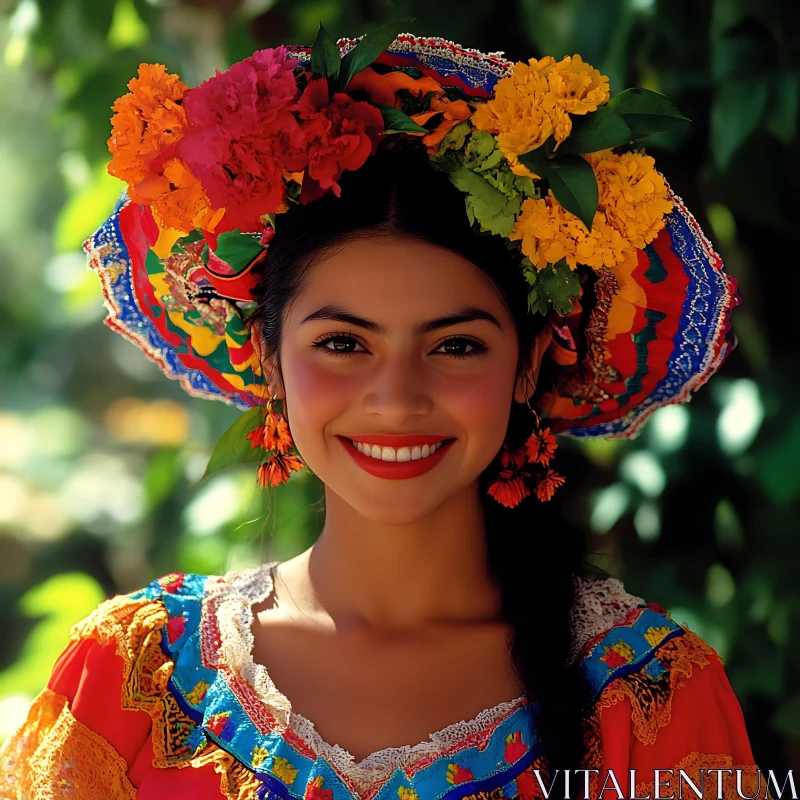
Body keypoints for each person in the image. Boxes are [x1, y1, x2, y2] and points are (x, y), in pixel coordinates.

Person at [0, 30, 767, 800]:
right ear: (269, 358)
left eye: (457, 346)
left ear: (529, 365)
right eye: (343, 343)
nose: (396, 399)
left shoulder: (655, 694)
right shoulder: (131, 680)